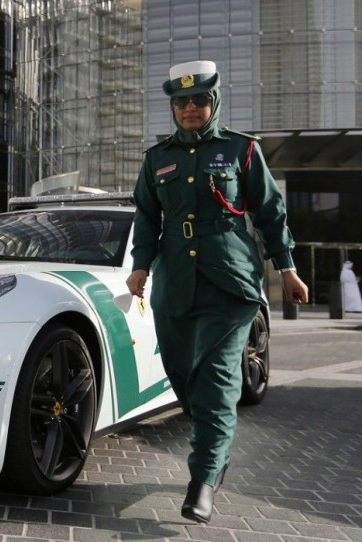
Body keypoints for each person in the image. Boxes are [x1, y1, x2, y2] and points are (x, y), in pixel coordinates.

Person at [125, 60, 308, 524]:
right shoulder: (156, 158)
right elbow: (147, 218)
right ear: (173, 106)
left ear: (214, 102)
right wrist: (140, 267)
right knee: (183, 374)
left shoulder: (242, 150)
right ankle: (216, 441)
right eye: (181, 101)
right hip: (175, 286)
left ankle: (203, 476)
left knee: (217, 382)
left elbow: (270, 212)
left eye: (199, 100)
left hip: (230, 283)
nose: (190, 108)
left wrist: (286, 269)